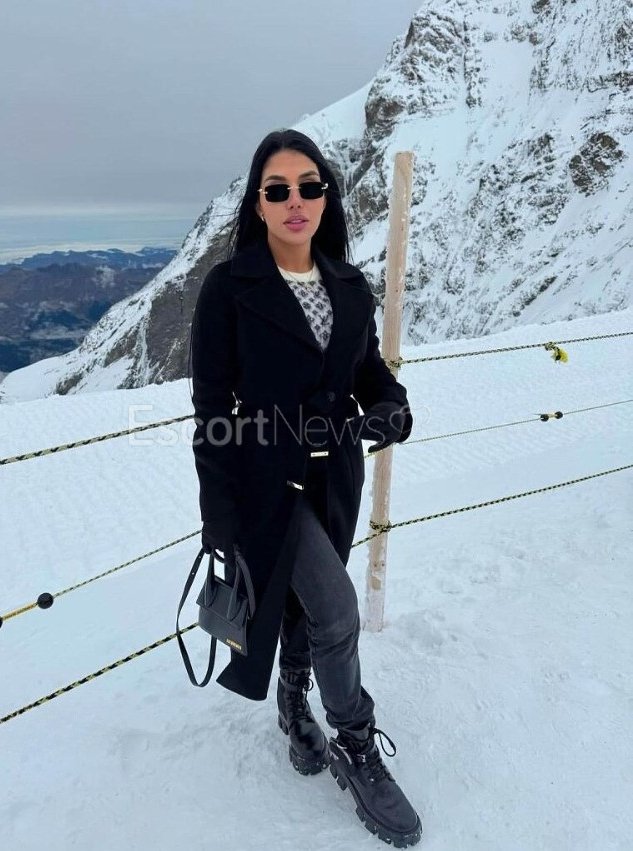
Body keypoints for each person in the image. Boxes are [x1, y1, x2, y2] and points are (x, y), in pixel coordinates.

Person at [189, 128, 422, 847]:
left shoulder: (348, 286)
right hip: (265, 481)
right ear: (258, 204)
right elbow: (211, 409)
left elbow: (367, 373)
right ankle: (355, 742)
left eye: (309, 186)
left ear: (326, 198)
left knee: (307, 604)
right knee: (336, 606)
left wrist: (391, 405)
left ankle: (294, 699)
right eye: (279, 189)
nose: (296, 200)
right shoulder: (229, 289)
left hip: (336, 474)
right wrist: (220, 516)